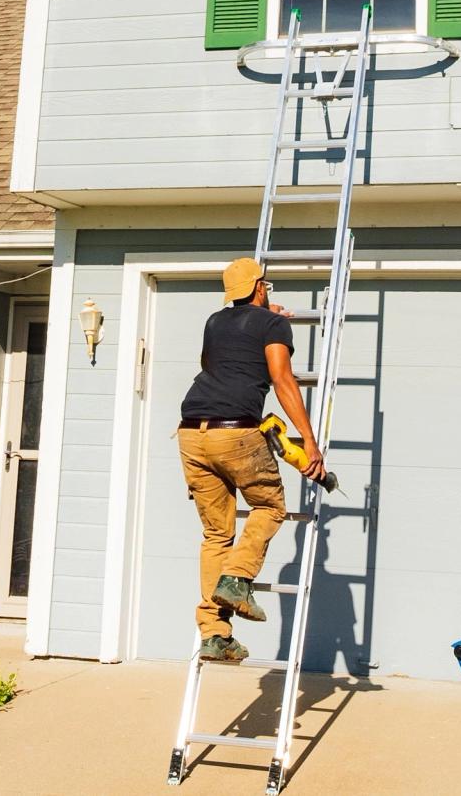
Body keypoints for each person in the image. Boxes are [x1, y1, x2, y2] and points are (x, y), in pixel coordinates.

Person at [177, 257, 325, 662]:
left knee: (216, 535)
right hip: (236, 432)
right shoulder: (273, 325)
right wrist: (309, 441)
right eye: (268, 287)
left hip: (191, 431)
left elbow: (215, 363)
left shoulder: (213, 322)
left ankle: (214, 633)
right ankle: (238, 578)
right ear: (260, 286)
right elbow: (282, 380)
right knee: (270, 507)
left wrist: (262, 318)